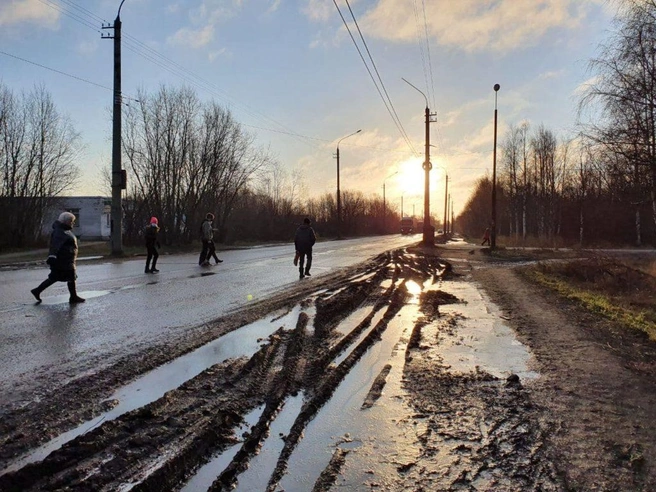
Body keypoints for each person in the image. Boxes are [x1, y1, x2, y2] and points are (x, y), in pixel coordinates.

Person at [30, 211, 85, 304]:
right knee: (58, 277)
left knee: (69, 277)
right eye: (71, 221)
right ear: (65, 221)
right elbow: (55, 245)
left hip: (68, 259)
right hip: (62, 260)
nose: (73, 223)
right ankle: (37, 290)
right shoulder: (59, 231)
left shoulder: (65, 230)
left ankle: (73, 296)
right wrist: (52, 256)